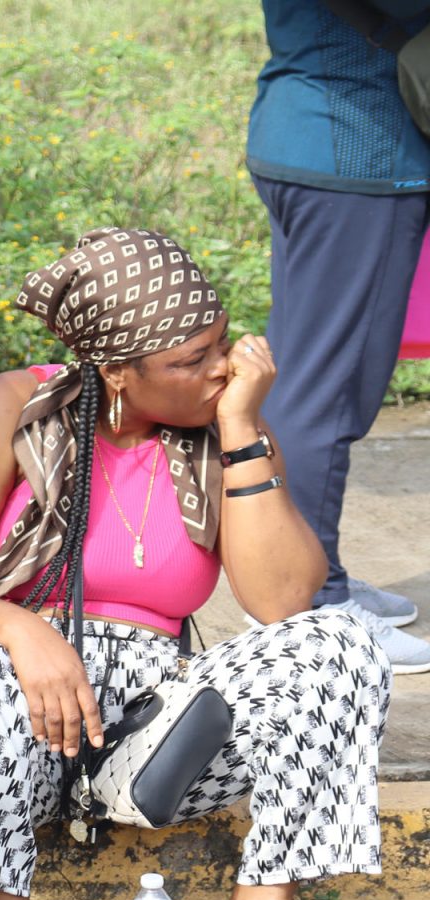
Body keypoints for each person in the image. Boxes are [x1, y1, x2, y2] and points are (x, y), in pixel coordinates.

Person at [0, 229, 390, 900]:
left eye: (223, 342)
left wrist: (241, 431)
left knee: (342, 641)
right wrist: (22, 633)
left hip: (161, 729)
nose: (223, 368)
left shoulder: (228, 428)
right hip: (17, 717)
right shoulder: (11, 409)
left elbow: (284, 601)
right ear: (117, 371)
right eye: (191, 361)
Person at [247, 0, 430, 672]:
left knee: (300, 379)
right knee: (328, 395)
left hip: (304, 133)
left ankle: (307, 575)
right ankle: (312, 607)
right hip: (359, 155)